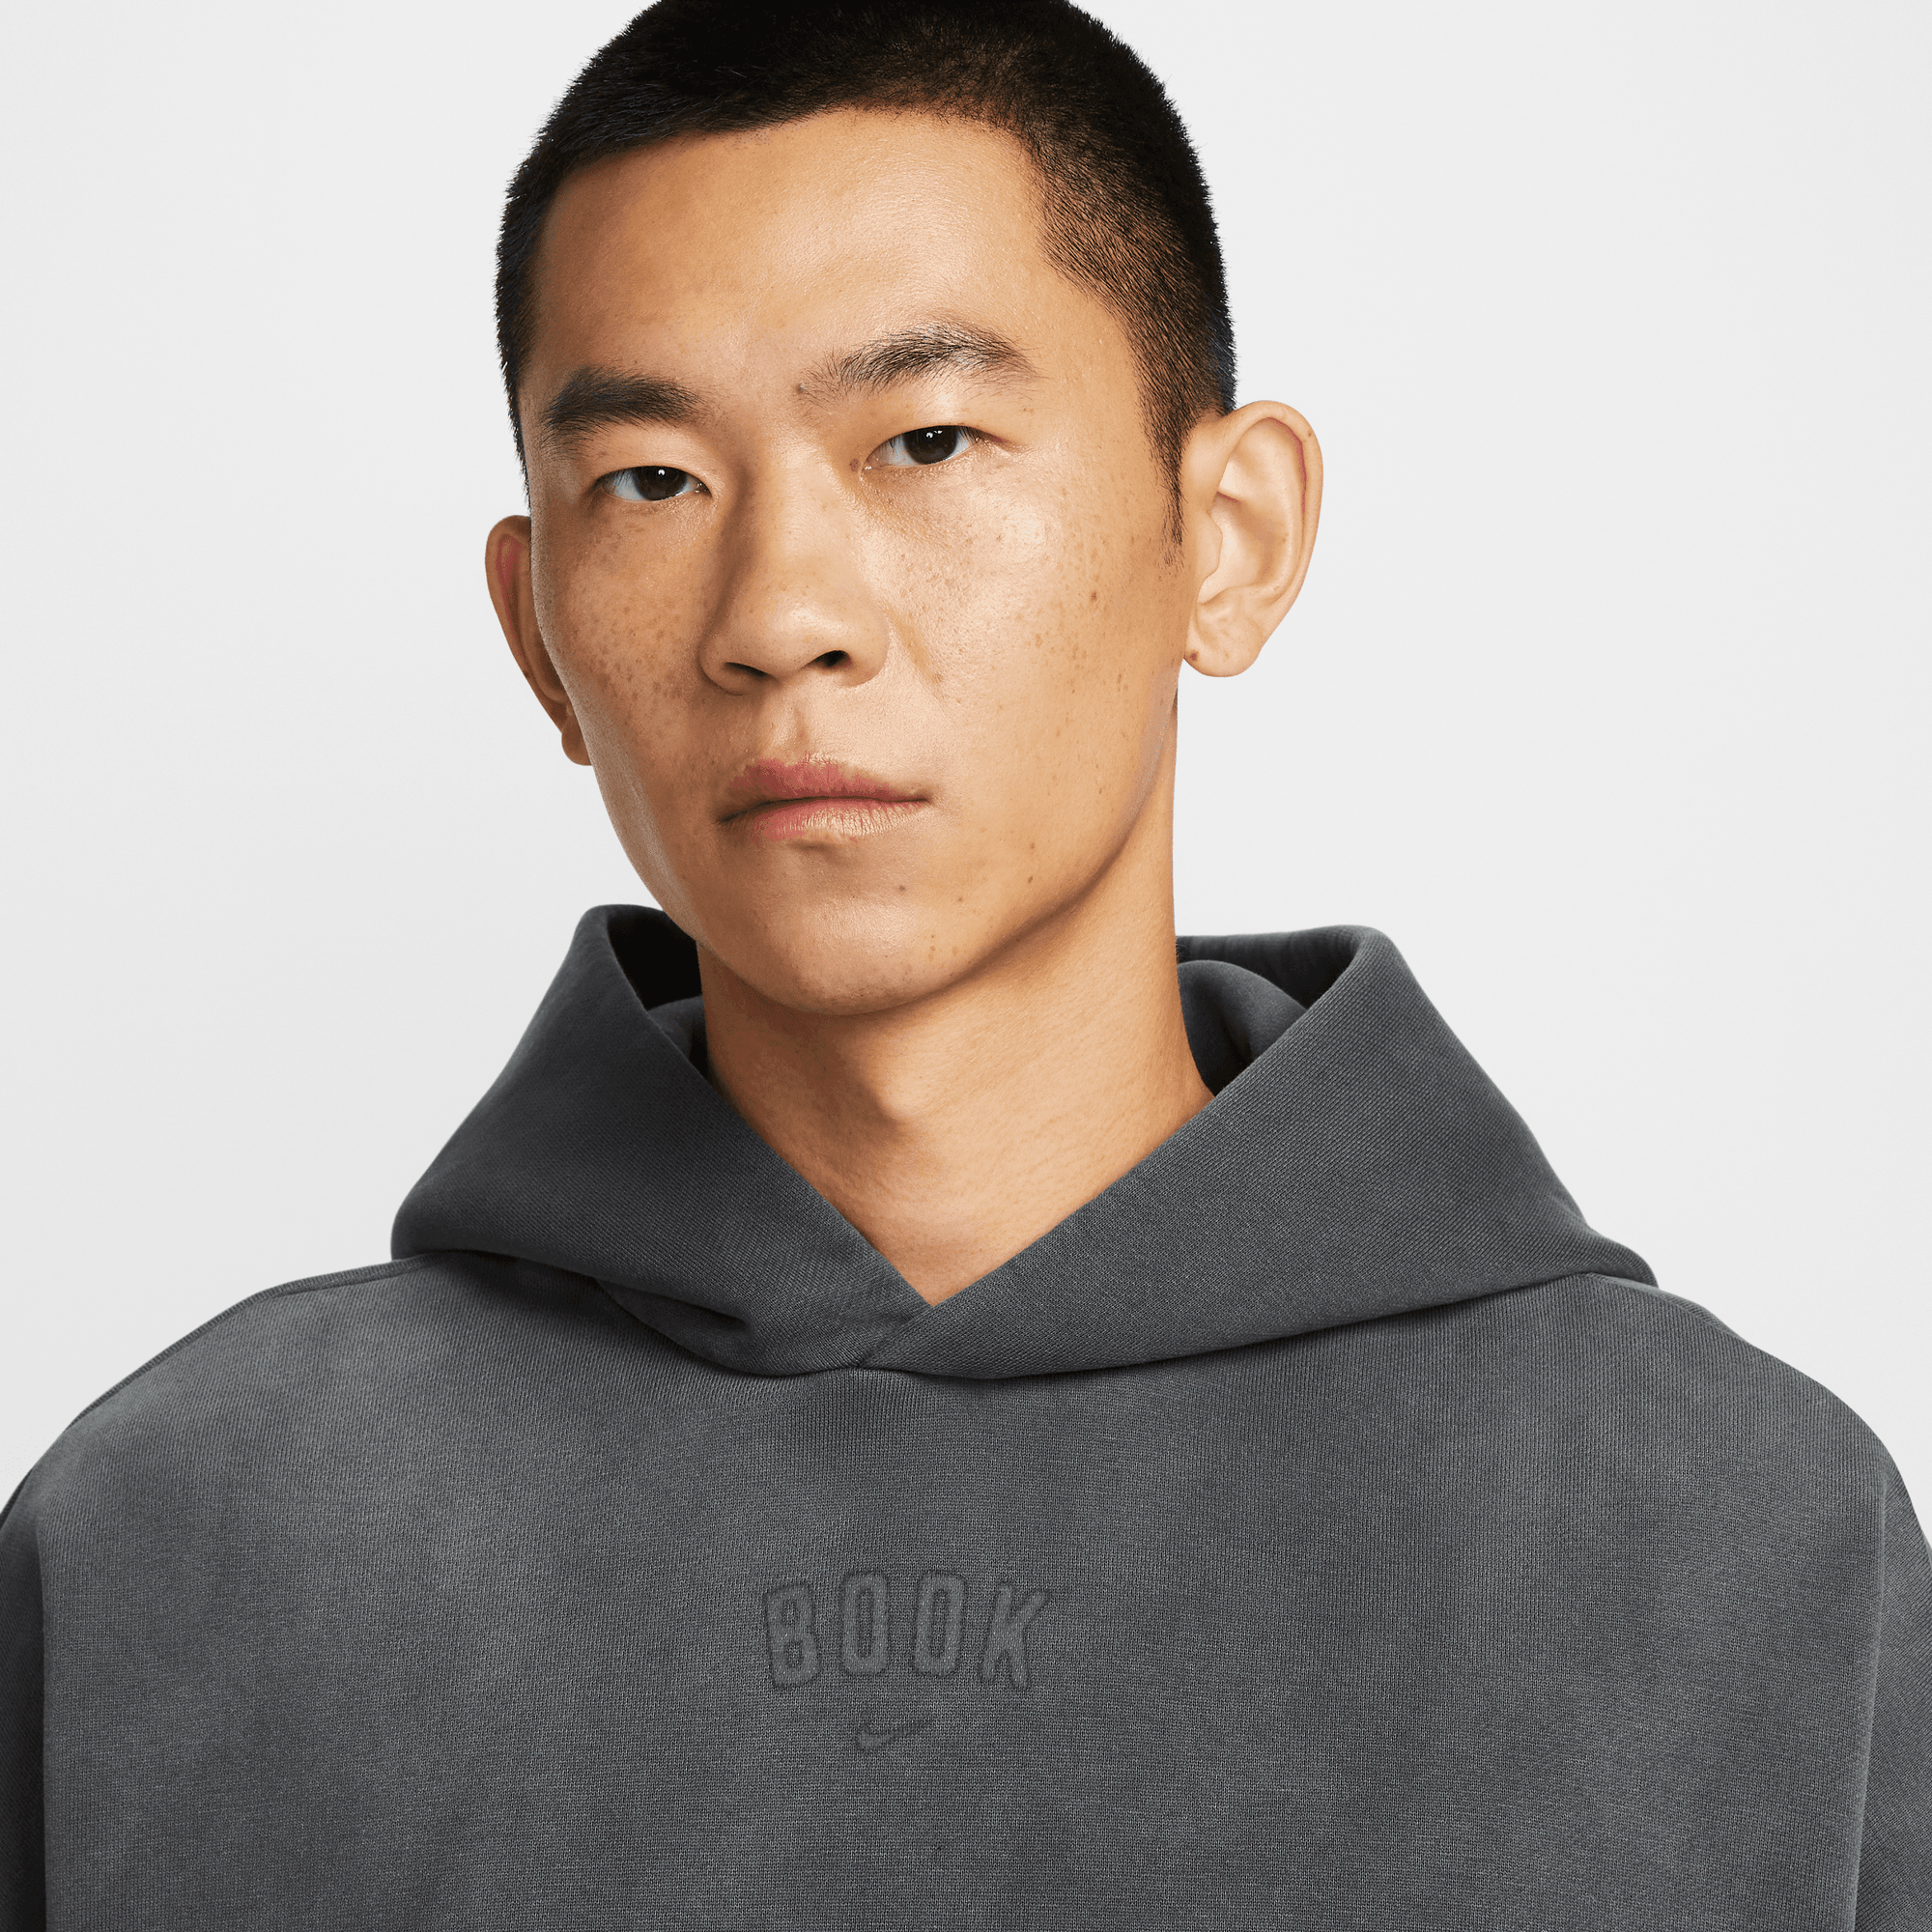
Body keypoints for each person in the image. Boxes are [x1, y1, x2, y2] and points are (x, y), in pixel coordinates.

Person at [2, 0, 1926, 1920]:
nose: (781, 614)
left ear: (1228, 535)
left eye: (925, 440)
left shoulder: (1747, 1540)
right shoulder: (172, 1541)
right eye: (652, 480)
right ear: (537, 639)